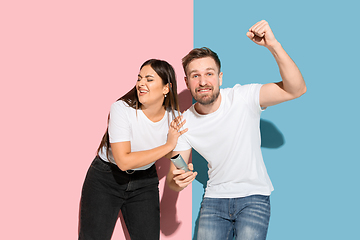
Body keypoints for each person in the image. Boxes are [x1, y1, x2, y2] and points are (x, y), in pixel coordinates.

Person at [166, 20, 307, 240]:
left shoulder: (244, 98)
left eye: (209, 74)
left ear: (220, 77)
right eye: (195, 76)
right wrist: (177, 181)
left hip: (254, 198)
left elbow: (296, 89)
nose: (203, 81)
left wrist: (273, 45)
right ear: (187, 81)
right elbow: (175, 177)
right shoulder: (184, 123)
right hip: (213, 200)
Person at [79, 59, 187, 240]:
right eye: (139, 78)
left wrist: (184, 169)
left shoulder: (174, 118)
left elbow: (174, 153)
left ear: (166, 88)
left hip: (144, 182)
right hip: (106, 178)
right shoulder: (121, 109)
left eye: (149, 79)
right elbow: (124, 161)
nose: (141, 83)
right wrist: (168, 144)